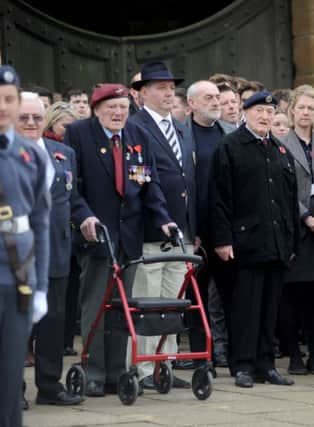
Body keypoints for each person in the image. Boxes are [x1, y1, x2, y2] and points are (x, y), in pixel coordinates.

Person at [67, 83, 175, 397]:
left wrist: (164, 219)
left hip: (129, 237)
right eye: (111, 107)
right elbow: (73, 186)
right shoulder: (79, 134)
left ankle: (116, 372)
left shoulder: (138, 136)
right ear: (97, 109)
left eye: (123, 108)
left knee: (121, 308)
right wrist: (83, 215)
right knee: (97, 306)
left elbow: (149, 184)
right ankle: (94, 371)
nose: (117, 114)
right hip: (96, 234)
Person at [210, 91, 299, 388]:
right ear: (245, 113)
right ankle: (243, 364)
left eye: (270, 112)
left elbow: (288, 200)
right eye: (259, 110)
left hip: (274, 244)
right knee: (245, 308)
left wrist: (290, 242)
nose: (265, 116)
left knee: (269, 307)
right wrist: (222, 240)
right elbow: (219, 198)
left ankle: (266, 363)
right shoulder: (231, 147)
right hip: (245, 243)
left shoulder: (279, 149)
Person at [127, 61, 196, 390]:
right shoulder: (135, 126)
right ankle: (142, 368)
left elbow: (187, 179)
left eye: (171, 88)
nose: (169, 93)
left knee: (172, 303)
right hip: (151, 230)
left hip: (180, 231)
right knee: (147, 302)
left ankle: (164, 365)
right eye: (160, 88)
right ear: (142, 94)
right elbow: (138, 178)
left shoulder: (181, 126)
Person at [15, 91, 83, 406]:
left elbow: (73, 198)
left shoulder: (63, 152)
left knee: (54, 322)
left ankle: (50, 386)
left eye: (37, 117)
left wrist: (88, 217)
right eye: (24, 117)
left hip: (55, 251)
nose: (31, 123)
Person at [0, 65, 51, 426]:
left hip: (17, 279)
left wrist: (41, 287)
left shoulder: (30, 155)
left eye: (9, 99)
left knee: (10, 379)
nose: (3, 107)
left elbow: (41, 225)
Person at [279, 85, 314, 376]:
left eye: (310, 108)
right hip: (296, 226)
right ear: (292, 111)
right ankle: (295, 357)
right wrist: (305, 217)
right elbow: (282, 189)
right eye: (300, 107)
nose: (305, 112)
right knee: (294, 294)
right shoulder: (282, 143)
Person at [184, 80, 230, 369]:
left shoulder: (230, 134)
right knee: (195, 297)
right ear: (192, 104)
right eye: (209, 97)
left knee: (230, 295)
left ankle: (229, 352)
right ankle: (202, 356)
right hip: (195, 230)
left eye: (217, 97)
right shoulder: (180, 134)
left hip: (226, 229)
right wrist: (191, 230)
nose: (216, 102)